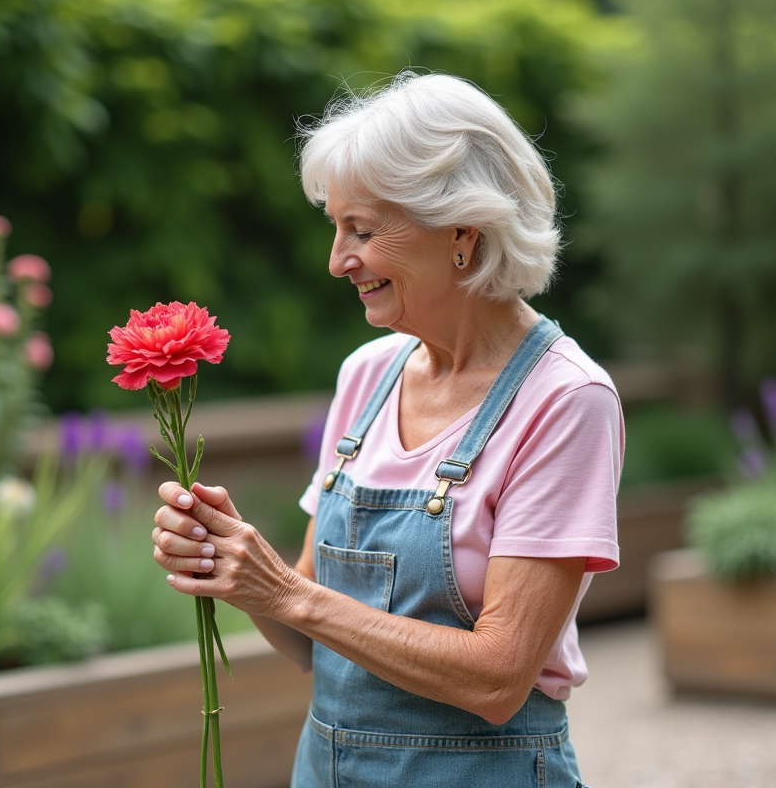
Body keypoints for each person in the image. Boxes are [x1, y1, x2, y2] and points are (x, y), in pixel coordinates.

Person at [151, 71, 623, 788]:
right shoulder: (369, 375)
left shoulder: (565, 399)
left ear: (462, 231)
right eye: (336, 228)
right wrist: (235, 571)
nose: (337, 260)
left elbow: (500, 677)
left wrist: (287, 594)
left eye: (362, 231)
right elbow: (311, 639)